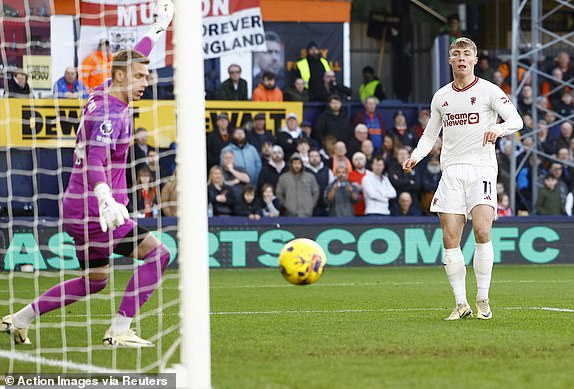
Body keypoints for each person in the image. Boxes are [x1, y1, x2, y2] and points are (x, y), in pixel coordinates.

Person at [1, 0, 176, 347]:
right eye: (141, 77)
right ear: (122, 77)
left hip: (77, 208)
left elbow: (131, 58)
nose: (146, 82)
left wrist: (156, 30)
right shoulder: (110, 114)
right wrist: (106, 198)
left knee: (95, 280)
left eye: (148, 75)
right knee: (159, 254)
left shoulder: (103, 92)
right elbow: (96, 159)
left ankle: (18, 319)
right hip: (97, 210)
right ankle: (120, 330)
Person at [402, 37, 523, 321]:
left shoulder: (489, 91)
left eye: (466, 53)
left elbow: (516, 121)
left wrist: (497, 130)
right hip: (452, 171)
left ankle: (483, 298)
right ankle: (460, 303)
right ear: (450, 60)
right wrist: (416, 156)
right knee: (449, 239)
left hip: (481, 168)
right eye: (456, 53)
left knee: (482, 232)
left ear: (474, 60)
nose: (461, 57)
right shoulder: (441, 96)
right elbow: (430, 134)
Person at [306, 148, 334, 216]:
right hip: (308, 207)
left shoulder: (327, 171)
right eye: (312, 156)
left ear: (320, 157)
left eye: (316, 156)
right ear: (308, 158)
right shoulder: (304, 171)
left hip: (325, 207)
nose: (314, 158)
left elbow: (331, 187)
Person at [348, 152, 368, 216]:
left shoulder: (370, 175)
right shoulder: (349, 175)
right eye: (356, 159)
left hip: (368, 207)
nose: (359, 161)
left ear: (365, 161)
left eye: (361, 159)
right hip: (355, 208)